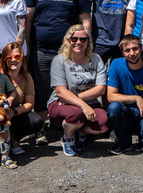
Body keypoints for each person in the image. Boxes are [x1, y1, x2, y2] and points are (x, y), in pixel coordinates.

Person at [26, 0, 91, 144]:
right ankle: (40, 129)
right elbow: (27, 21)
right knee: (42, 89)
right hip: (41, 49)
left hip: (68, 53)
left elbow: (85, 19)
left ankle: (66, 125)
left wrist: (85, 44)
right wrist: (26, 47)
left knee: (70, 89)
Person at [47, 25, 109, 156]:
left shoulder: (96, 59)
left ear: (88, 41)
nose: (78, 42)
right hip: (60, 103)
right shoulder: (60, 60)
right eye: (74, 39)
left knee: (103, 123)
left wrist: (80, 101)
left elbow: (101, 89)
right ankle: (68, 137)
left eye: (83, 39)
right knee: (76, 114)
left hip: (85, 102)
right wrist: (83, 106)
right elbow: (60, 92)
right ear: (68, 40)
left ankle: (81, 133)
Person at [106, 35, 143, 154]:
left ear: (141, 49)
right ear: (122, 53)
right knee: (113, 108)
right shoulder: (116, 64)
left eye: (135, 49)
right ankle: (124, 142)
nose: (132, 53)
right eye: (127, 50)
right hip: (128, 111)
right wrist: (137, 98)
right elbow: (111, 96)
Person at [0, 42, 44, 156]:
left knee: (37, 121)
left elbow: (30, 104)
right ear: (5, 60)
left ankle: (15, 139)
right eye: (9, 58)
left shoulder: (27, 77)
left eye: (17, 56)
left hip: (15, 113)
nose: (14, 60)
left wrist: (13, 112)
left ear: (22, 58)